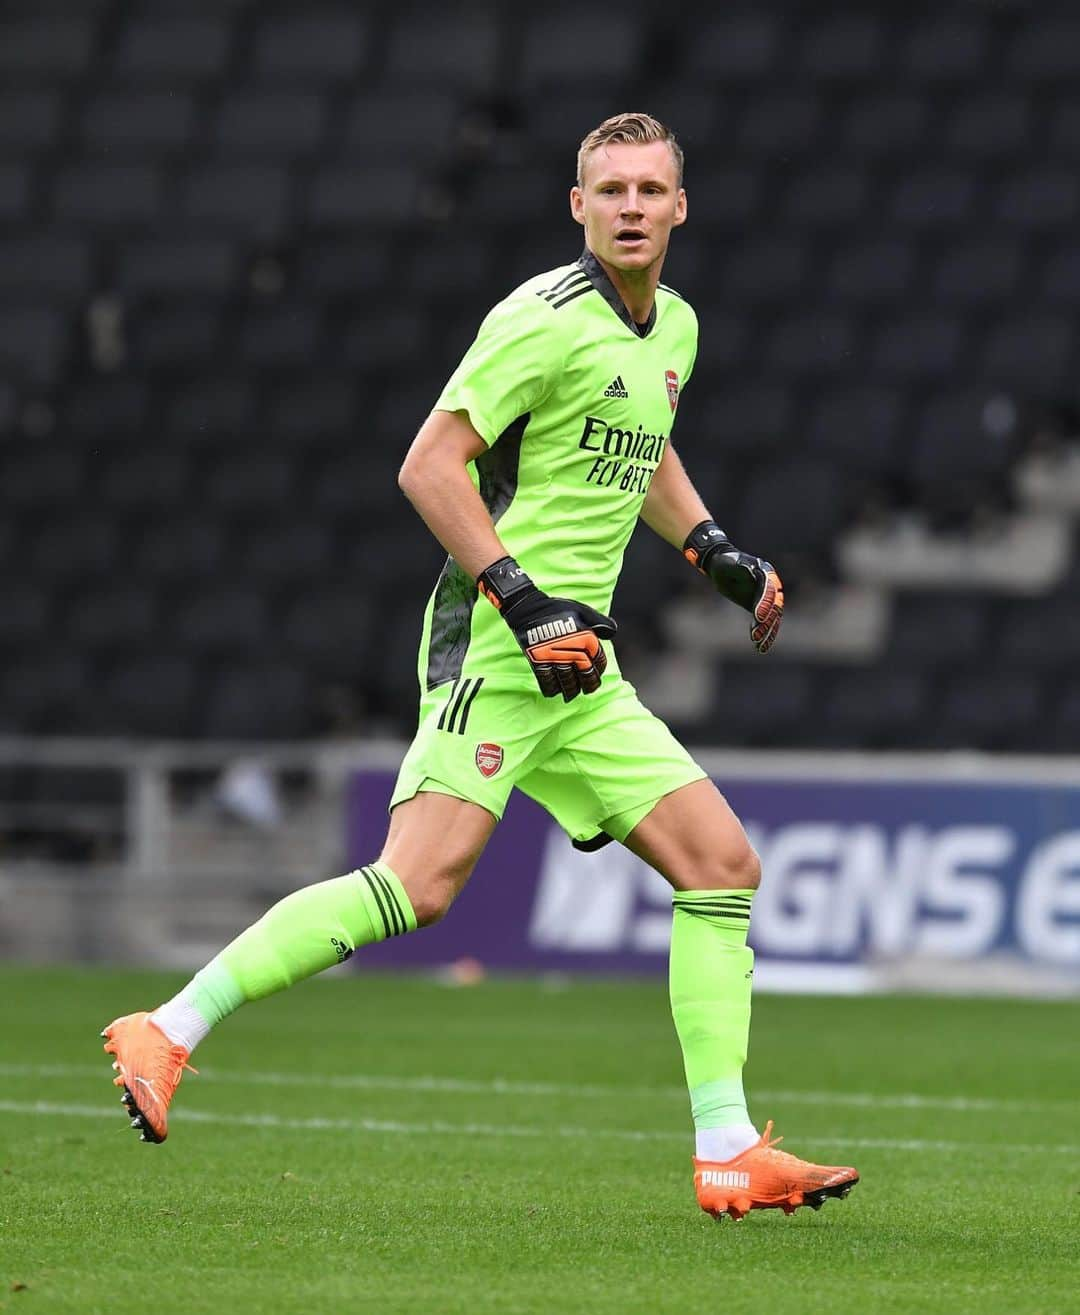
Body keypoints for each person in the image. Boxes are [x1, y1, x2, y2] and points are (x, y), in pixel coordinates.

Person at [103, 112, 858, 1222]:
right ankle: (165, 1027)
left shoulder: (675, 329)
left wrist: (710, 547)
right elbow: (429, 466)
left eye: (652, 189)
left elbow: (642, 446)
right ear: (580, 208)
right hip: (501, 644)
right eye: (613, 191)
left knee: (720, 867)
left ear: (681, 207)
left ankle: (727, 1146)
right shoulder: (540, 320)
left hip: (583, 663)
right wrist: (522, 599)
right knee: (420, 886)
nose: (634, 207)